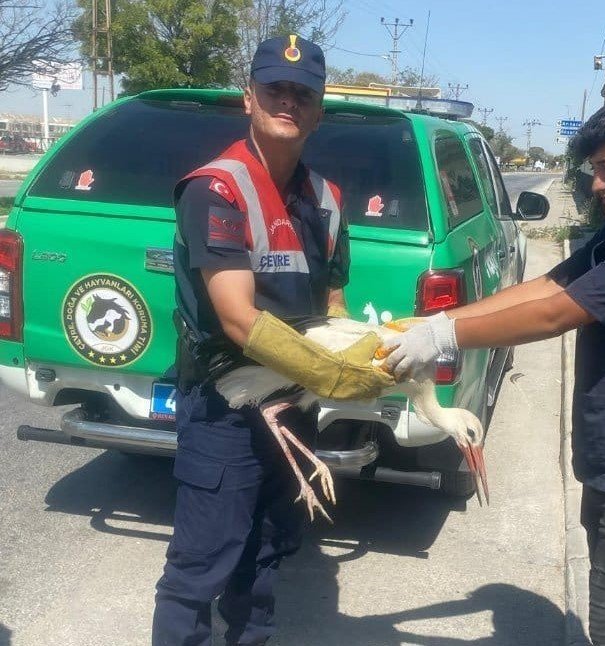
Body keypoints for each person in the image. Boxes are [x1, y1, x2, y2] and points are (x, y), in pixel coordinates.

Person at [384, 84, 605, 646]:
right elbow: (550, 284)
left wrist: (444, 337)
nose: (596, 184)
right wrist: (434, 323)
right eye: (594, 169)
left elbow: (555, 314)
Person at [152, 34, 393, 646]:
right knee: (201, 569)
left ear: (318, 110)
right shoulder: (217, 189)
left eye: (302, 94)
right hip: (225, 409)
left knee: (265, 555)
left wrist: (365, 352)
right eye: (274, 89)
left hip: (292, 407)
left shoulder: (328, 201)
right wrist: (334, 376)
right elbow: (237, 319)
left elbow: (332, 305)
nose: (288, 101)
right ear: (249, 98)